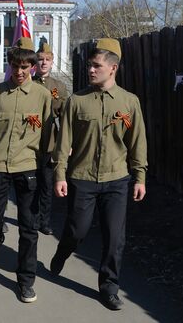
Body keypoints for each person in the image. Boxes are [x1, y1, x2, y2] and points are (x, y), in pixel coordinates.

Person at [49, 38, 147, 310]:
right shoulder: (76, 101)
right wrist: (60, 174)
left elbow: (137, 142)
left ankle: (109, 287)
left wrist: (140, 177)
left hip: (117, 179)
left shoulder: (129, 102)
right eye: (89, 65)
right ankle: (64, 250)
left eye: (96, 66)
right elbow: (63, 142)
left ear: (113, 68)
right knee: (77, 230)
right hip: (83, 178)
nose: (91, 70)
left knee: (115, 237)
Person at [0, 37, 53, 303]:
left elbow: (47, 136)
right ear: (9, 65)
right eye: (15, 66)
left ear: (32, 67)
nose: (20, 72)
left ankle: (26, 280)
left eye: (25, 67)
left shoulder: (43, 96)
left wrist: (45, 165)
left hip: (28, 166)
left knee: (28, 226)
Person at [33, 43, 69, 235]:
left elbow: (65, 117)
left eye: (47, 59)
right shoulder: (28, 83)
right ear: (35, 62)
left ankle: (44, 221)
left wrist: (67, 143)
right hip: (30, 142)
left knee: (47, 184)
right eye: (40, 59)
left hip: (50, 143)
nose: (44, 63)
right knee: (31, 184)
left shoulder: (59, 86)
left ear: (52, 61)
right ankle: (31, 217)